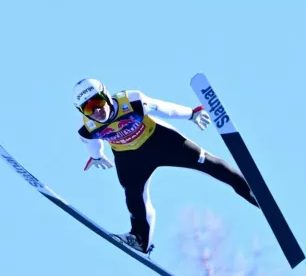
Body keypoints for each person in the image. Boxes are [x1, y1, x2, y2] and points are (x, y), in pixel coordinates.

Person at [73, 78, 258, 255]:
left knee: (208, 163)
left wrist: (191, 114)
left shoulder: (131, 101)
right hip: (129, 159)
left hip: (160, 142)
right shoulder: (87, 129)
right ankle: (140, 240)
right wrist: (97, 157)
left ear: (106, 94)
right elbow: (93, 144)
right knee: (133, 196)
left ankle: (252, 192)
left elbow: (164, 109)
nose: (97, 110)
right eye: (88, 108)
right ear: (82, 112)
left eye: (98, 101)